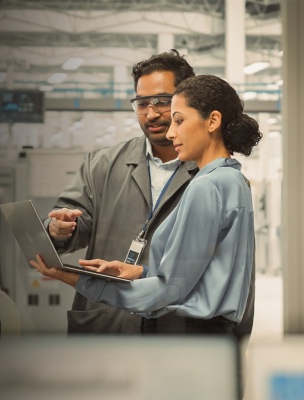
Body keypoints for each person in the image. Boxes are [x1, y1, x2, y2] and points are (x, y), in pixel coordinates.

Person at [32, 74, 262, 341]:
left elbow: (168, 292)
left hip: (191, 339)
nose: (170, 131)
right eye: (142, 103)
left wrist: (77, 280)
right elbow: (204, 271)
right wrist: (142, 271)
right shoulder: (233, 179)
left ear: (212, 121)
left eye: (178, 120)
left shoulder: (205, 186)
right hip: (214, 334)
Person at [45, 49, 198, 334]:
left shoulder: (209, 172)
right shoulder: (101, 164)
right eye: (141, 103)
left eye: (162, 102)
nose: (151, 114)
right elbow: (66, 225)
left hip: (178, 328)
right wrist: (58, 228)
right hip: (109, 322)